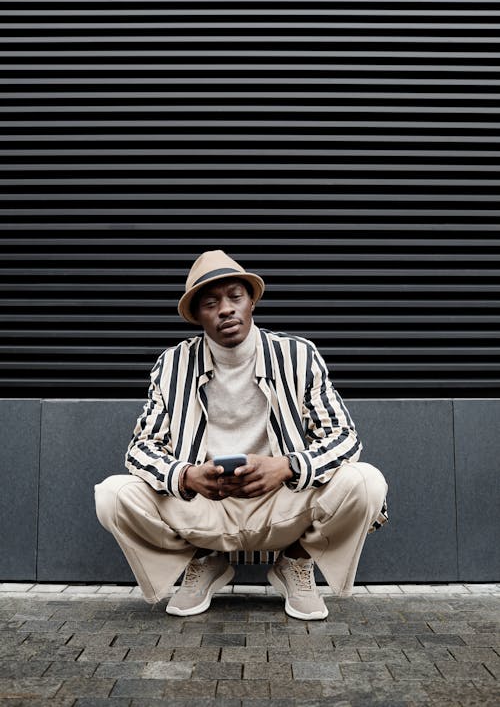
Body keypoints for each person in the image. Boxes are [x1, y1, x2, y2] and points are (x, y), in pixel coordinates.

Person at [95, 250, 388, 620]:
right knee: (111, 496)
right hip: (202, 506)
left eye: (235, 297)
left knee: (367, 482)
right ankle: (204, 561)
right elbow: (141, 449)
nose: (226, 310)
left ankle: (295, 563)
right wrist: (187, 476)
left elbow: (344, 437)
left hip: (282, 502)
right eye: (211, 303)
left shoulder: (298, 355)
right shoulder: (171, 364)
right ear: (198, 315)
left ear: (252, 302)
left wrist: (287, 466)